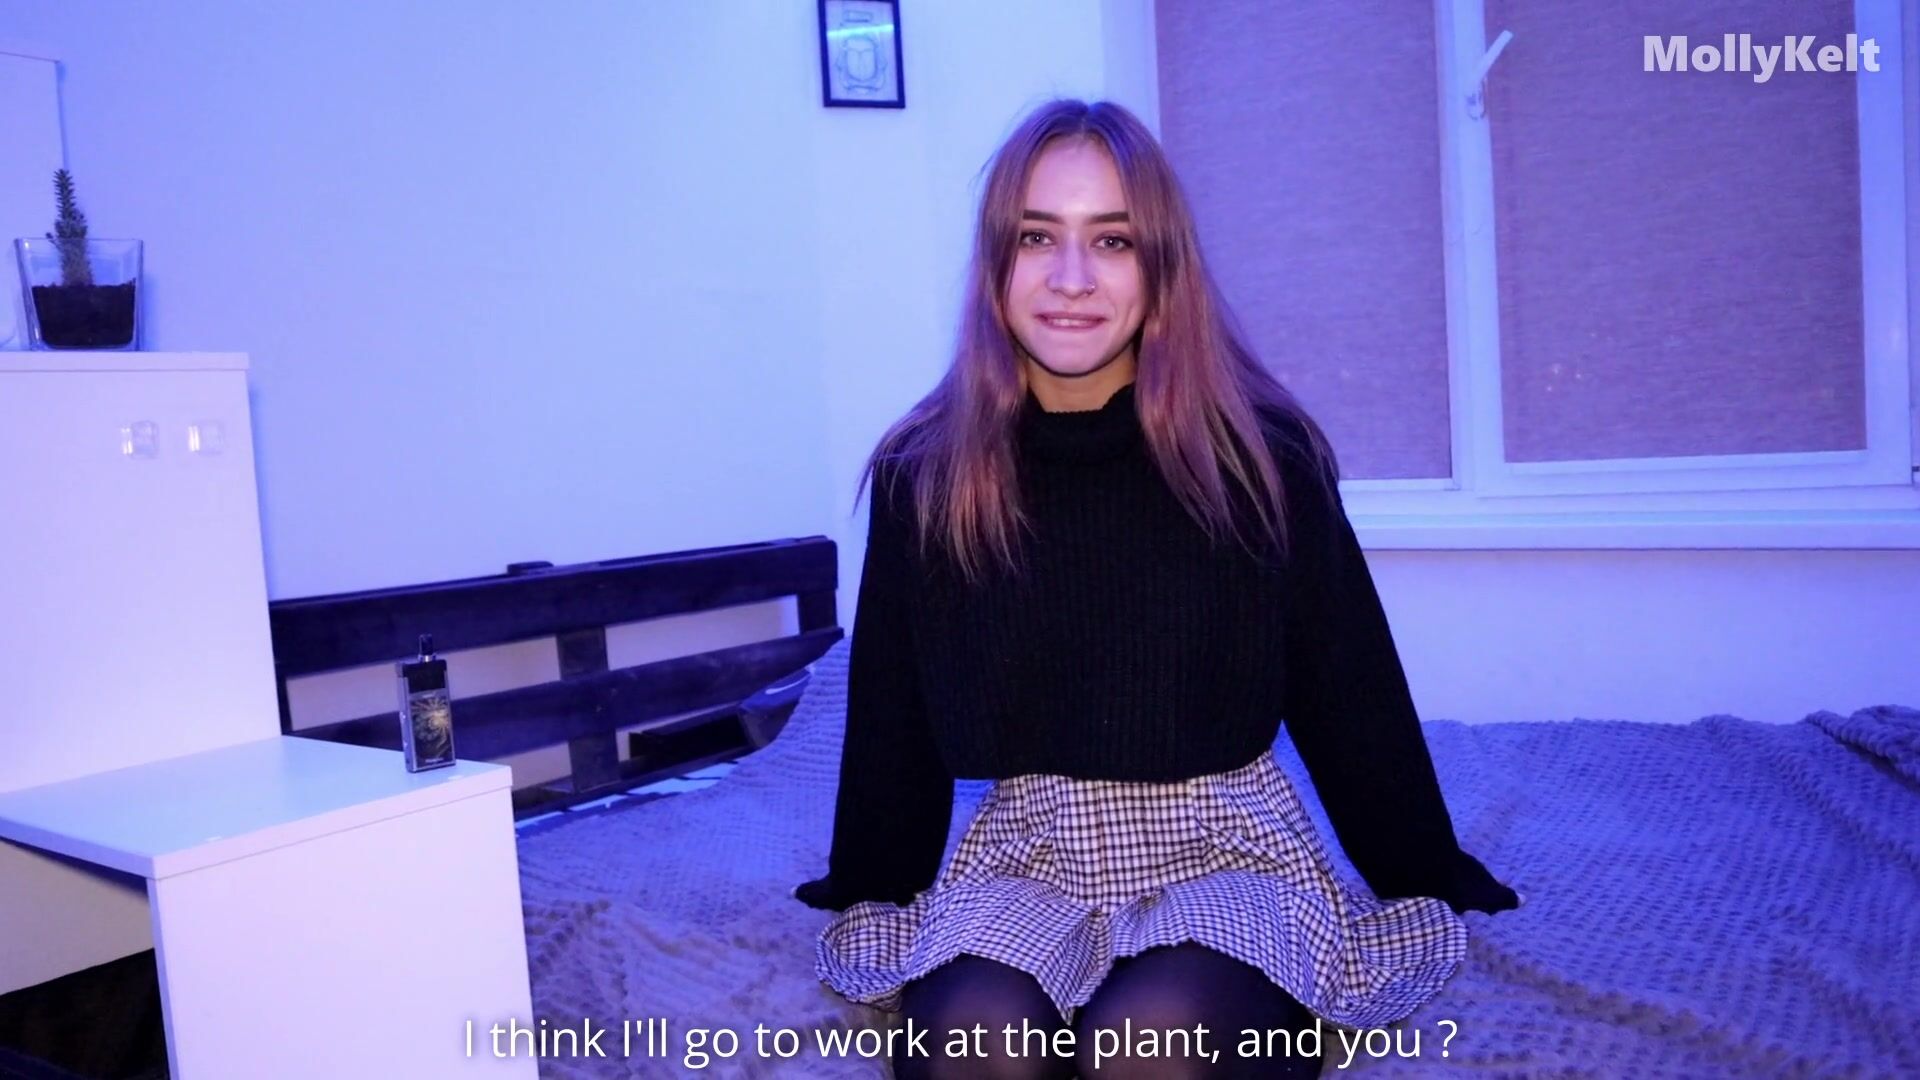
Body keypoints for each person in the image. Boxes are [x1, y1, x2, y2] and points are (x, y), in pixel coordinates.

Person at [793, 98, 1519, 1079]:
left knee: (1148, 1044)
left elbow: (1349, 692)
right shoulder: (926, 473)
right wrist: (868, 886)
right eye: (1037, 237)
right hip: (1028, 854)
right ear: (996, 262)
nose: (1072, 278)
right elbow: (893, 709)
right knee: (974, 1049)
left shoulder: (1260, 456)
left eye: (1113, 240)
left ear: (1161, 264)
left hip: (1228, 849)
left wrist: (1425, 870)